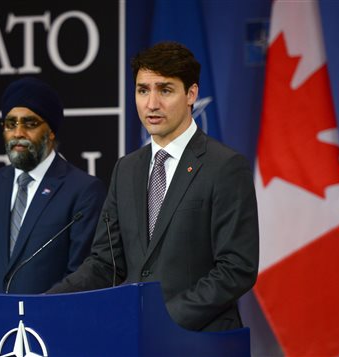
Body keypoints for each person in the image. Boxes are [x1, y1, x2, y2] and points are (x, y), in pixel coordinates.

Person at [48, 42, 259, 332]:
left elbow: (236, 268)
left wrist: (164, 320)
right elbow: (105, 264)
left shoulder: (224, 167)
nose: (151, 104)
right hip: (139, 340)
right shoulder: (127, 169)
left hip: (201, 342)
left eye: (165, 90)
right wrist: (46, 304)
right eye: (143, 90)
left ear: (191, 94)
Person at [0, 77, 106, 294]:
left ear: (51, 130)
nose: (18, 134)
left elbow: (82, 273)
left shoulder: (83, 190)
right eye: (10, 124)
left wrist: (36, 314)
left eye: (30, 123)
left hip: (49, 322)